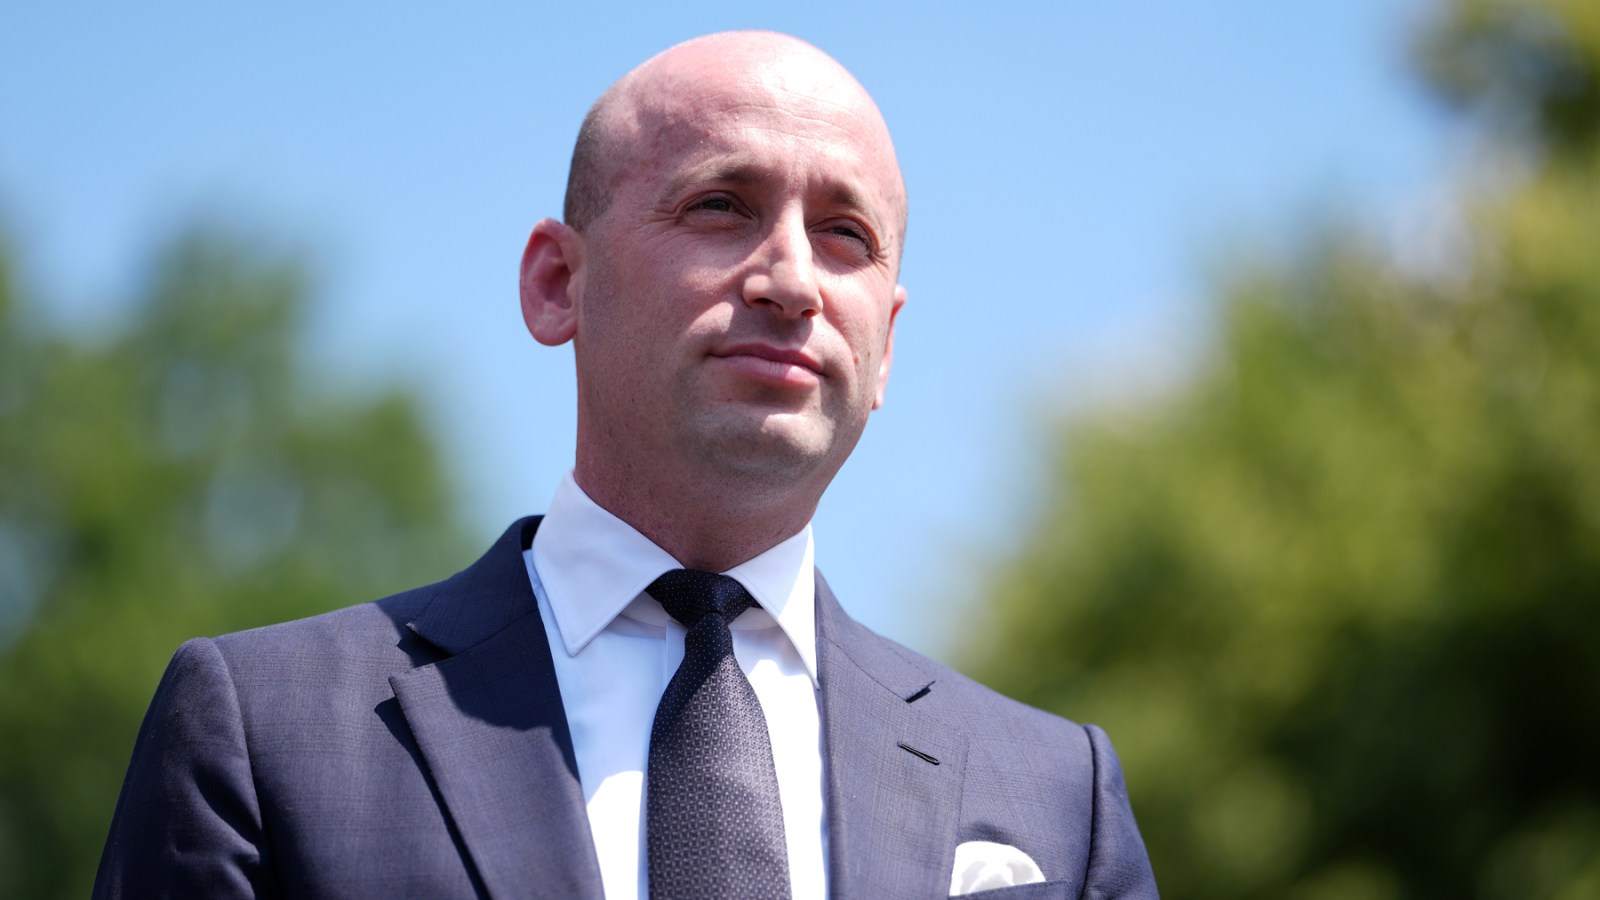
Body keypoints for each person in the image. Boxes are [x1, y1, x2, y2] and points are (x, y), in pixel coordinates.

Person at [94, 30, 1158, 899]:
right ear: (558, 283)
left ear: (886, 347)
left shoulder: (1058, 799)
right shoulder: (267, 732)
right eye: (720, 205)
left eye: (846, 234)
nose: (793, 280)